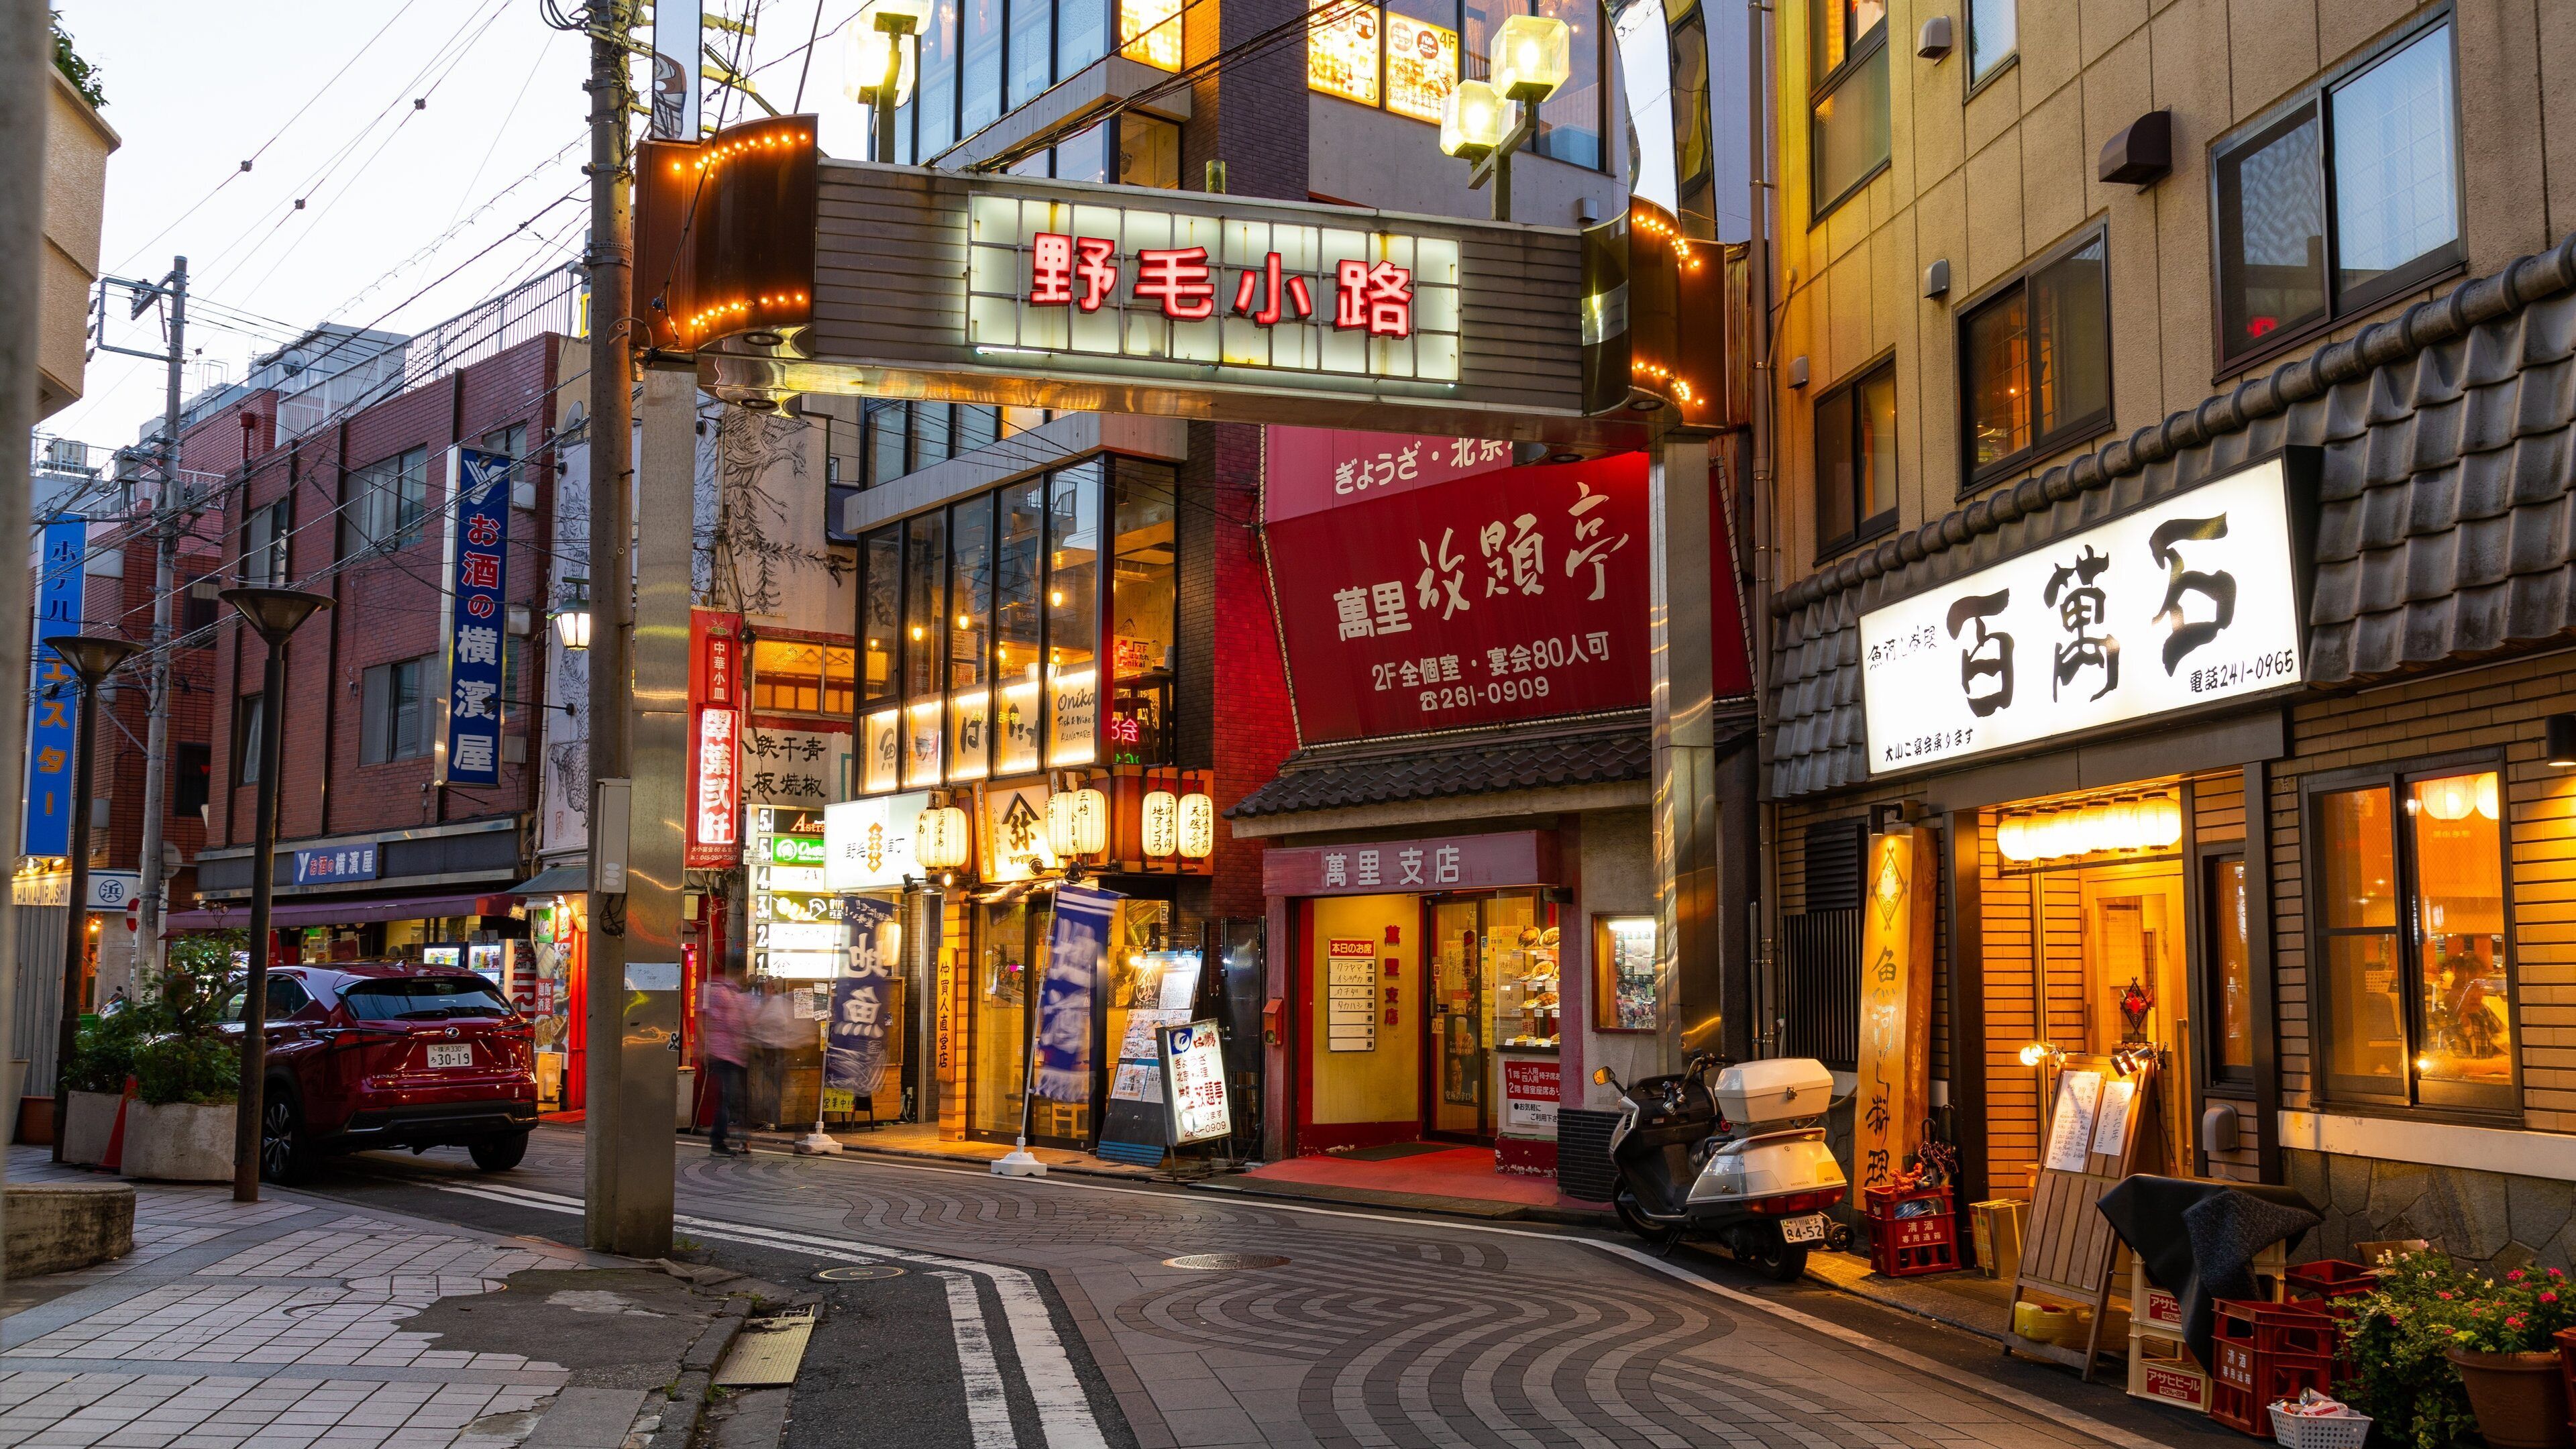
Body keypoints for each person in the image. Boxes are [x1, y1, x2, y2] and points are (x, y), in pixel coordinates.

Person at [702, 967, 751, 1155]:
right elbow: (704, 1019)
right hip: (724, 1054)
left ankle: (735, 1141)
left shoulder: (729, 993)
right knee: (727, 1098)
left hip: (730, 1054)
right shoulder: (721, 992)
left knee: (730, 1098)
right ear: (741, 972)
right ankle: (719, 1142)